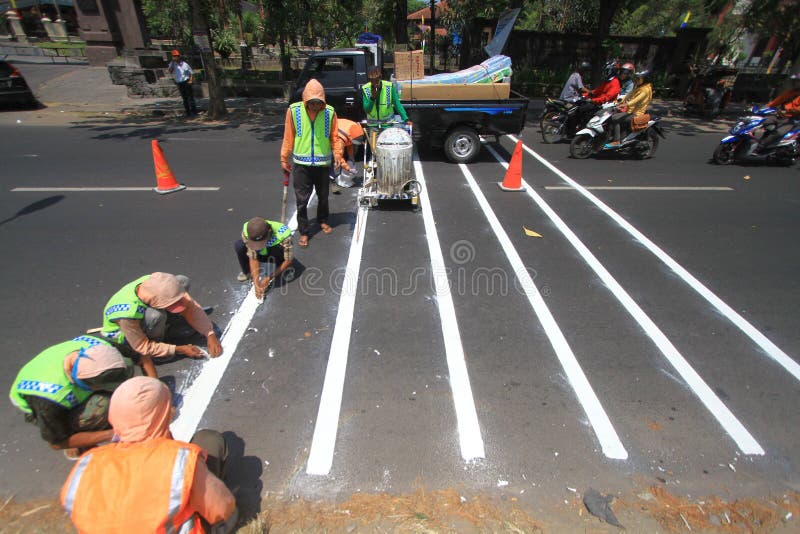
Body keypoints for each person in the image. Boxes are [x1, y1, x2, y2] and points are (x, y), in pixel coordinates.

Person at [60, 376, 237, 533]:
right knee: (209, 439)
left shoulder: (88, 463)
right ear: (164, 413)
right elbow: (222, 508)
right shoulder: (180, 460)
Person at [9, 336, 134, 458]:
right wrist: (113, 434)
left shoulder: (100, 348)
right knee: (102, 406)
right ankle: (78, 437)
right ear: (89, 384)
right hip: (44, 404)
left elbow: (141, 356)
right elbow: (56, 443)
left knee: (128, 395)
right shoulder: (51, 400)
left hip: (56, 383)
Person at [100, 272, 222, 377]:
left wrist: (209, 333)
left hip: (146, 315)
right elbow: (142, 346)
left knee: (181, 282)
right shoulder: (126, 314)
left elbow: (188, 303)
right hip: (131, 337)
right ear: (155, 301)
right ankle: (160, 348)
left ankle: (166, 326)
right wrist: (179, 349)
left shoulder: (154, 283)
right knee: (156, 316)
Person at [281, 79, 346, 247]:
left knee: (323, 195)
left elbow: (334, 137)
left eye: (319, 103)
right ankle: (304, 231)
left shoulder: (330, 112)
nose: (316, 106)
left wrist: (338, 154)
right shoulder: (294, 111)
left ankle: (323, 219)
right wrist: (284, 158)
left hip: (322, 164)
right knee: (301, 199)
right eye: (312, 103)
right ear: (305, 100)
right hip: (301, 164)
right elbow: (288, 137)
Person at [235, 217, 294, 298]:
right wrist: (256, 283)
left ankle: (281, 268)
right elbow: (253, 257)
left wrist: (268, 279)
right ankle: (248, 272)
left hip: (274, 252)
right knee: (239, 245)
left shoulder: (284, 234)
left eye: (260, 243)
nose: (258, 246)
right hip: (261, 253)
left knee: (281, 253)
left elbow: (288, 260)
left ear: (269, 233)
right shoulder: (247, 230)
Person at [606, 69, 653, 147]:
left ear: (645, 79)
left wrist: (625, 104)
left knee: (614, 118)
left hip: (636, 114)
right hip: (629, 111)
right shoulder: (639, 87)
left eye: (639, 78)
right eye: (636, 78)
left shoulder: (645, 90)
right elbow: (628, 95)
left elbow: (636, 100)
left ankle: (616, 141)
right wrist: (618, 102)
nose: (636, 80)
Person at [758, 72, 800, 149]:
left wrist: (787, 111)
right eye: (795, 81)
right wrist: (763, 108)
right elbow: (775, 102)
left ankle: (762, 146)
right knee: (761, 122)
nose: (795, 83)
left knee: (779, 132)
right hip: (779, 115)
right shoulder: (789, 92)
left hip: (792, 120)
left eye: (798, 81)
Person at [332, 118, 364, 187]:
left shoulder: (355, 128)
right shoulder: (340, 139)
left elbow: (349, 143)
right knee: (334, 160)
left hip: (340, 130)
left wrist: (351, 156)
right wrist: (348, 168)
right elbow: (339, 157)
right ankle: (332, 176)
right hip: (328, 136)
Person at [167, 50, 198, 117]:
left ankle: (194, 112)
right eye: (174, 56)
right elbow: (170, 70)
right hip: (179, 82)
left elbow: (191, 73)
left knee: (190, 97)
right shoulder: (173, 64)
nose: (176, 57)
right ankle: (188, 112)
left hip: (186, 81)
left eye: (177, 56)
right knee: (185, 98)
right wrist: (172, 62)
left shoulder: (184, 64)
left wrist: (190, 81)